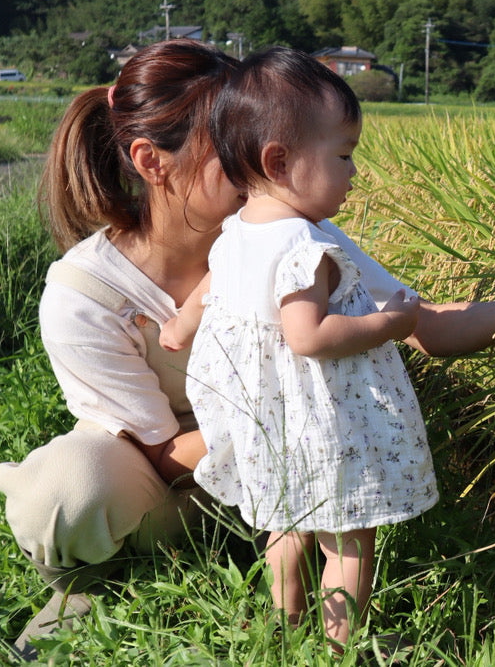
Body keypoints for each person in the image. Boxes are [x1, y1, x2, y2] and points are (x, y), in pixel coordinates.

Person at [0, 39, 495, 662]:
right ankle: (84, 584)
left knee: (301, 525)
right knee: (68, 485)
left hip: (272, 464)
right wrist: (287, 430)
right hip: (178, 478)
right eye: (228, 149)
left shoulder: (289, 234)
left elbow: (423, 324)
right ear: (151, 161)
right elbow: (160, 455)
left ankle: (288, 618)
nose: (251, 164)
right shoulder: (84, 293)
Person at [158, 46, 429, 650]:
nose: (353, 173)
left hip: (262, 416)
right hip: (317, 417)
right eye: (343, 156)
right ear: (279, 162)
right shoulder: (306, 246)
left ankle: (283, 630)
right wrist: (390, 325)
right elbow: (307, 336)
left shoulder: (236, 233)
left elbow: (212, 288)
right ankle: (339, 647)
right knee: (348, 536)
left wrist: (181, 324)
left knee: (285, 525)